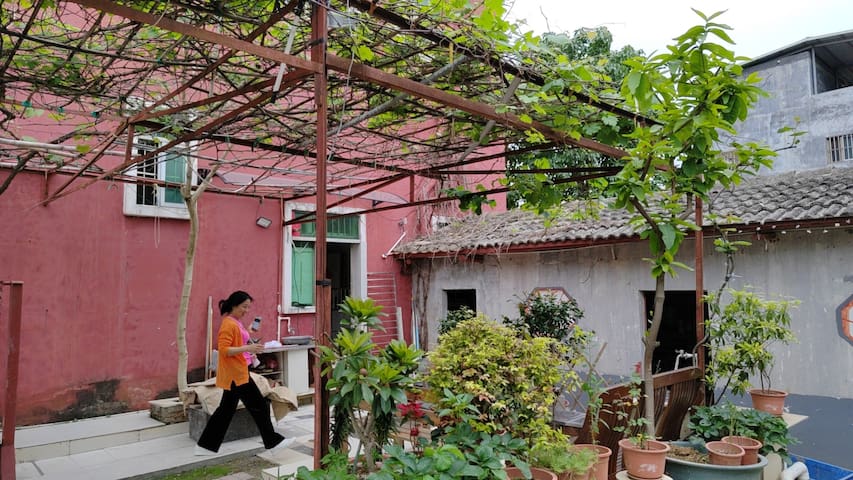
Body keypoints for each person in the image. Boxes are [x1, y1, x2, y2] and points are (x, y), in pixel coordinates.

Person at [195, 290, 293, 455]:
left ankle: (205, 446)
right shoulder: (228, 324)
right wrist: (249, 348)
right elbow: (224, 350)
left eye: (248, 307)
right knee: (260, 406)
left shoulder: (235, 322)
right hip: (236, 375)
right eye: (244, 307)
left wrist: (250, 335)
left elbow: (239, 340)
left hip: (238, 373)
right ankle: (272, 442)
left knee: (226, 410)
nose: (247, 310)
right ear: (234, 305)